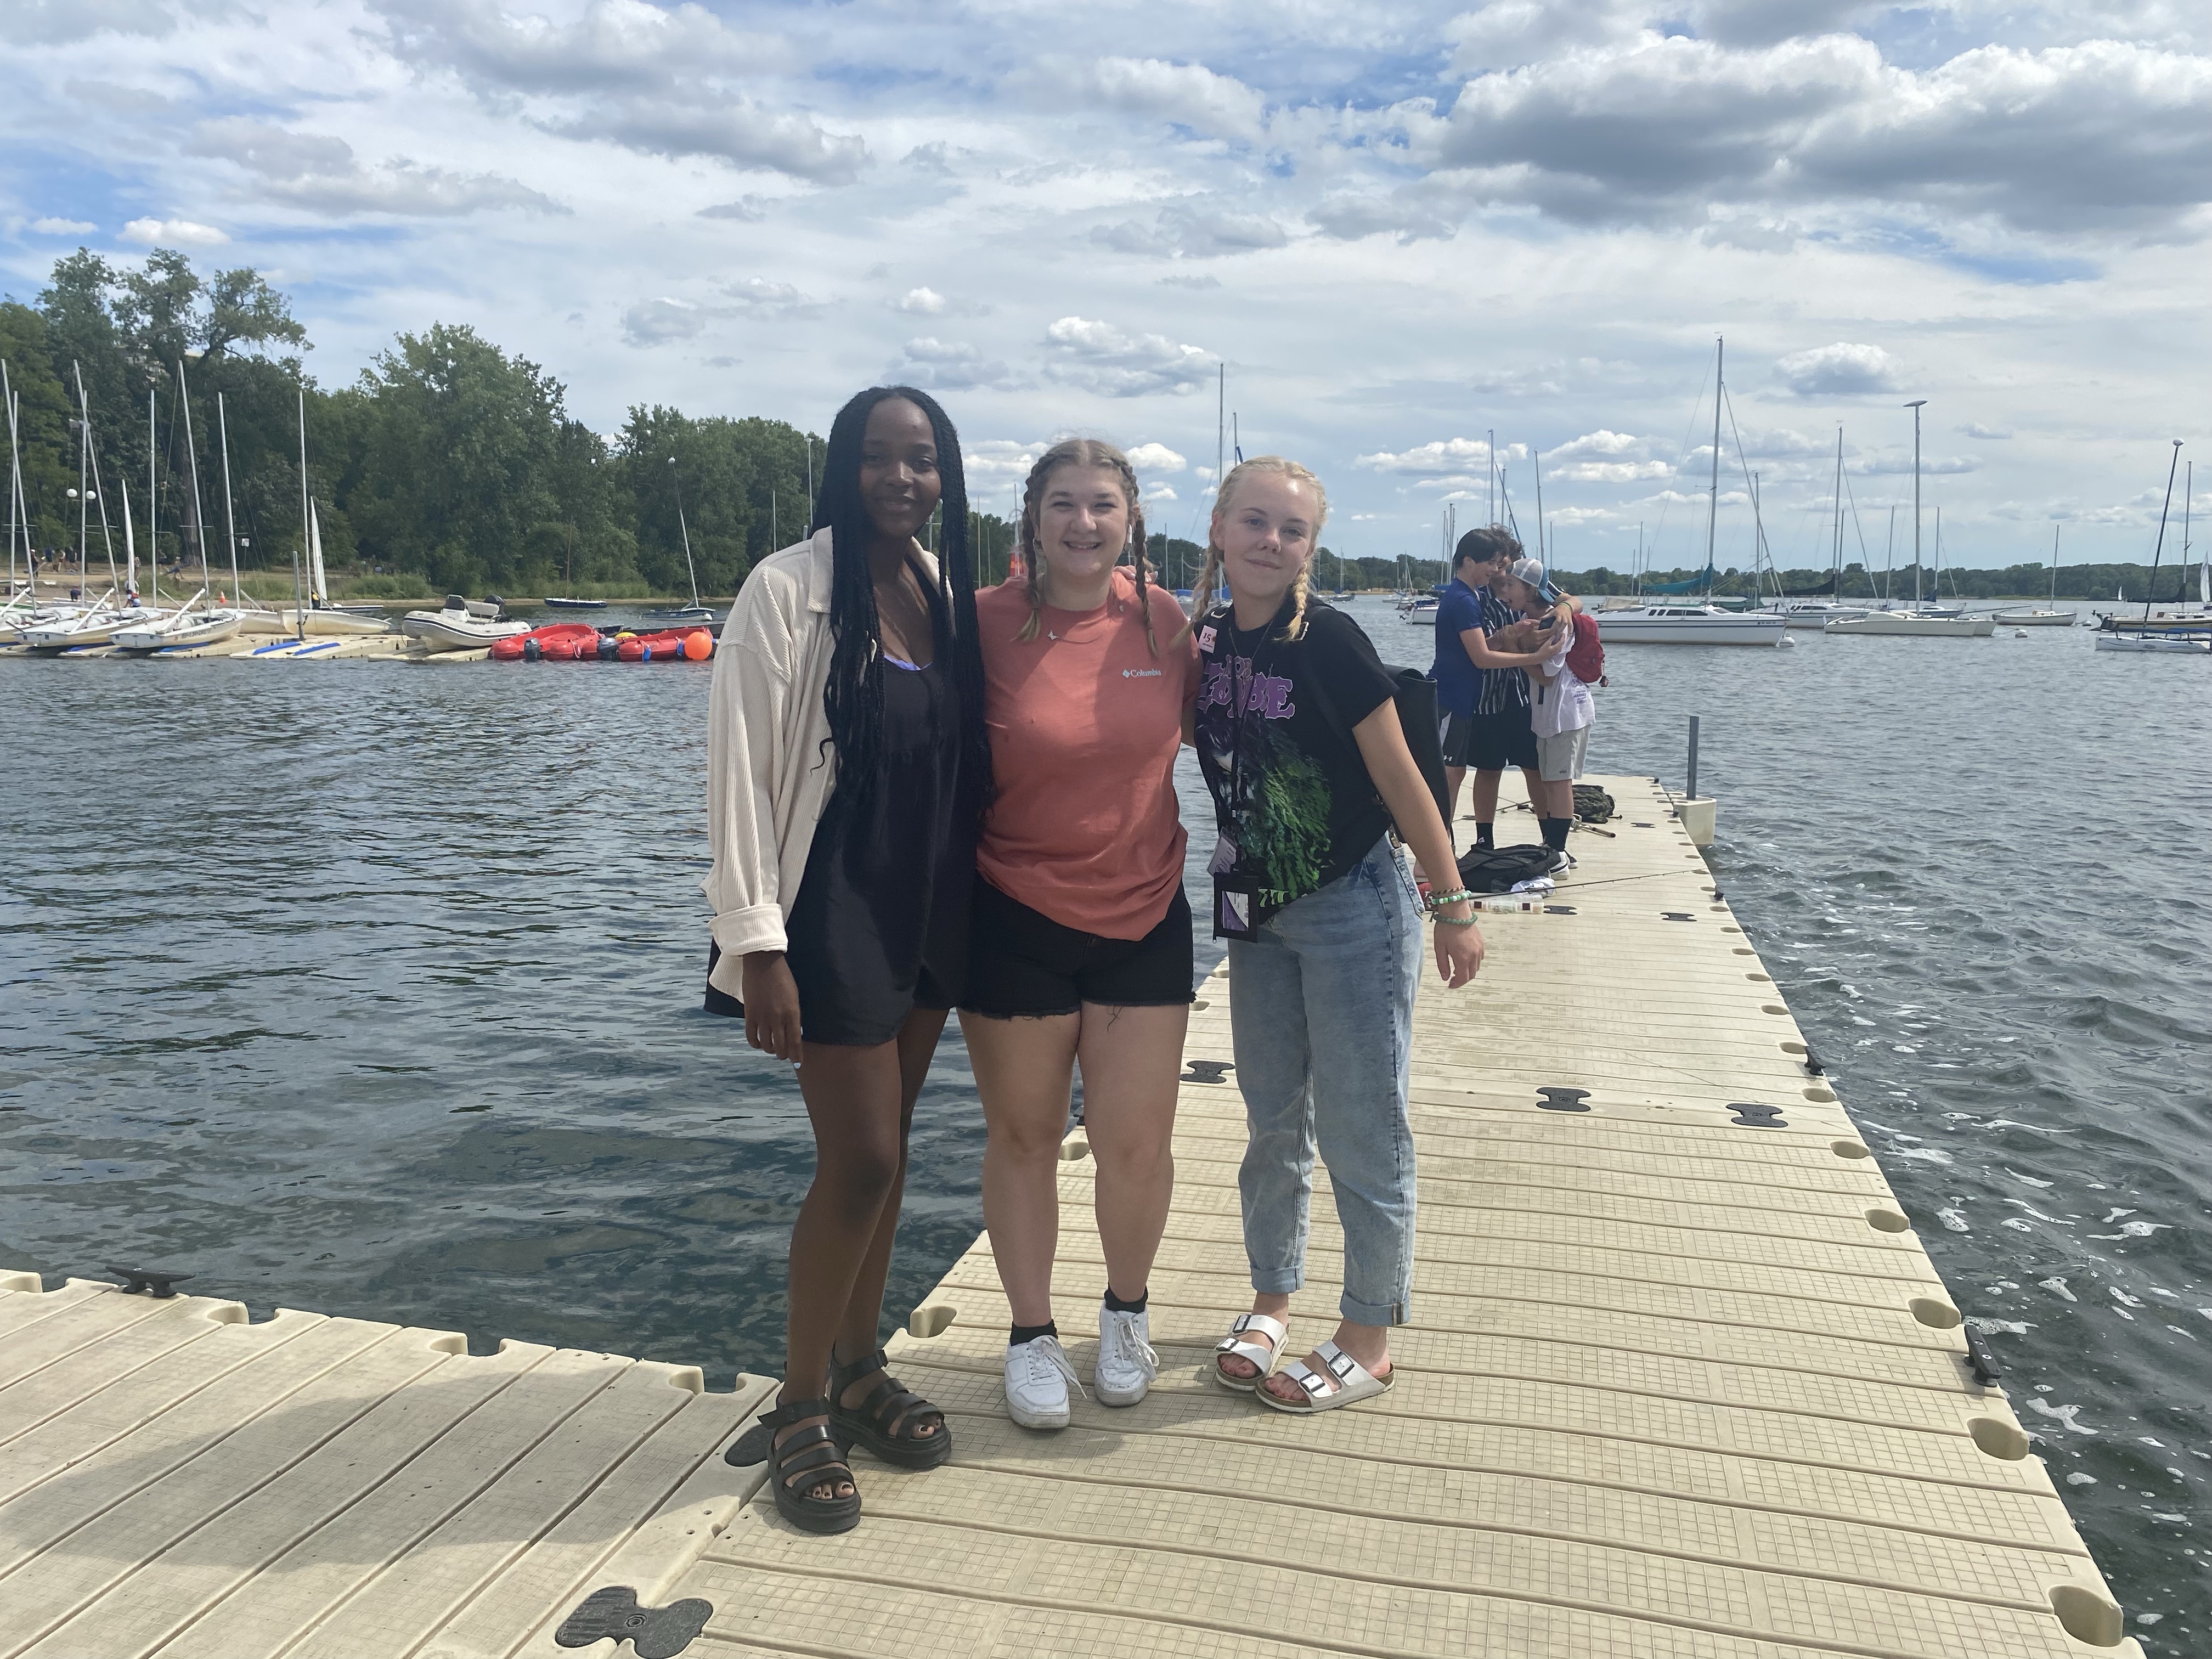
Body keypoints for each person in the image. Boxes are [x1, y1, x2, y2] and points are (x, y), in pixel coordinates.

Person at [701, 385, 991, 1534]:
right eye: (880, 457)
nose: (902, 479)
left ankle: (863, 1366)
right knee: (862, 1157)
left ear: (944, 475)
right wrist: (754, 943)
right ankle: (800, 1402)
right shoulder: (788, 591)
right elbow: (738, 774)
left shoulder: (941, 592)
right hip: (829, 905)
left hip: (929, 904)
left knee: (895, 1144)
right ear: (844, 466)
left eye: (922, 460)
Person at [1189, 457, 1485, 1413]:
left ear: (1311, 546)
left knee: (1364, 1122)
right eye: (1254, 522)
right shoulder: (1203, 640)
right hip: (1255, 907)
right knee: (1272, 1116)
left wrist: (1452, 905)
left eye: (1293, 529)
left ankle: (1368, 1334)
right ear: (1219, 528)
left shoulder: (1328, 639)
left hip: (1352, 902)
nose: (1271, 541)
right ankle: (1272, 1298)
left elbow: (1405, 781)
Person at [961, 439, 1200, 1429]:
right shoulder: (981, 621)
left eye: (1103, 504)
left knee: (1133, 1142)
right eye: (1063, 503)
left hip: (1144, 909)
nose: (1083, 523)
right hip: (1010, 911)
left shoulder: (1161, 619)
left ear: (1131, 519)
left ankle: (1126, 1314)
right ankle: (1029, 1334)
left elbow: (1236, 728)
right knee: (1023, 1135)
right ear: (1033, 516)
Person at [1438, 527, 1555, 854]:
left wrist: (1563, 610)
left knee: (1535, 768)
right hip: (1485, 698)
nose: (1500, 572)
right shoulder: (1474, 598)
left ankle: (1552, 839)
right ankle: (1483, 840)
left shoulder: (1525, 590)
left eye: (1505, 566)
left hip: (1521, 694)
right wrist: (1511, 639)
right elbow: (1480, 652)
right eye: (1496, 564)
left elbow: (1567, 600)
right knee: (1487, 769)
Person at [1493, 556, 1594, 869]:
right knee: (1550, 780)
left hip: (1567, 713)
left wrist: (1513, 649)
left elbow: (1546, 676)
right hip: (1547, 713)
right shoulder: (1531, 619)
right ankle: (1554, 846)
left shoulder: (1556, 623)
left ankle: (1558, 853)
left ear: (1531, 590)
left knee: (1559, 781)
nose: (1503, 591)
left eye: (1511, 585)